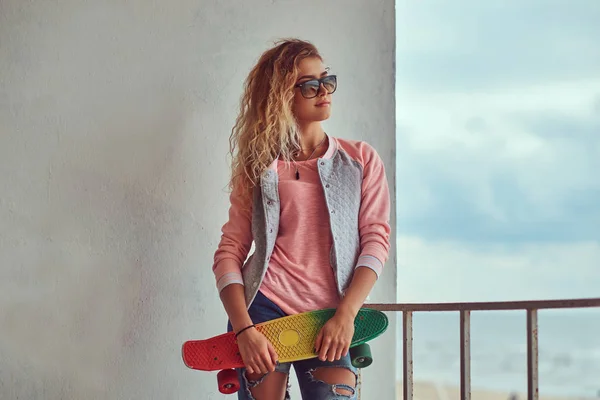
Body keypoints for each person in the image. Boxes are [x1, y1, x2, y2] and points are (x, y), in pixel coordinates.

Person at [212, 38, 391, 400]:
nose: (324, 91)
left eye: (327, 80)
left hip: (331, 316)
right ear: (281, 96)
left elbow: (376, 240)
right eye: (310, 85)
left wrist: (347, 315)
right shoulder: (259, 167)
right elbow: (230, 251)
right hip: (263, 313)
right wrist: (243, 330)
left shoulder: (360, 160)